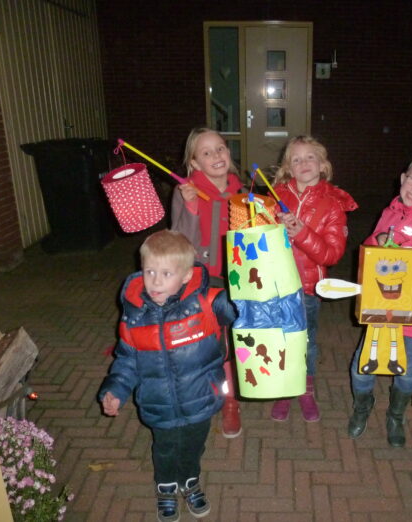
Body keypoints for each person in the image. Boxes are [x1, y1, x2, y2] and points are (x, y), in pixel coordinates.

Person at [98, 230, 236, 521]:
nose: (156, 281)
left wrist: (250, 291)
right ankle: (166, 487)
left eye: (166, 273)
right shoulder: (134, 317)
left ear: (186, 276)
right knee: (164, 450)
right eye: (149, 271)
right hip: (158, 404)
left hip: (200, 399)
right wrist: (115, 390)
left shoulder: (208, 302)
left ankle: (190, 481)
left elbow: (242, 308)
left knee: (193, 447)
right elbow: (127, 360)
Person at [347, 151, 412, 447]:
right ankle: (363, 406)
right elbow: (370, 250)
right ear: (403, 178)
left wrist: (394, 250)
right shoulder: (391, 211)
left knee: (406, 370)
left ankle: (396, 414)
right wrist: (378, 241)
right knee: (362, 365)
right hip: (383, 305)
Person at [270, 135, 358, 422]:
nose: (304, 163)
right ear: (288, 168)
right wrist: (271, 224)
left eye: (310, 157)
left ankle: (305, 389)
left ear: (322, 165)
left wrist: (302, 233)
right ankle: (286, 388)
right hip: (276, 285)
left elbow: (332, 255)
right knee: (281, 338)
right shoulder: (276, 196)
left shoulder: (332, 204)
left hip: (308, 288)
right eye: (296, 159)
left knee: (306, 342)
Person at [170, 127, 245, 438]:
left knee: (232, 341)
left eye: (220, 148)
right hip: (203, 281)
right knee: (208, 342)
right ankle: (209, 396)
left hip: (238, 278)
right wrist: (190, 207)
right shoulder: (186, 191)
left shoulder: (241, 191)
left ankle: (231, 399)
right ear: (194, 163)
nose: (216, 155)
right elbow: (179, 244)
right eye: (206, 152)